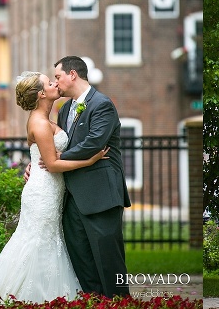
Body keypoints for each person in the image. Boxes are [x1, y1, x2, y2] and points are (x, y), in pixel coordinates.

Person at [0, 71, 109, 304]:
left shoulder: (47, 119)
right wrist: (90, 160)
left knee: (48, 243)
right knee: (37, 244)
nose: (54, 83)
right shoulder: (39, 123)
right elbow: (53, 164)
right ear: (41, 94)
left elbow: (43, 155)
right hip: (43, 193)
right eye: (50, 82)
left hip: (51, 189)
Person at [47, 55, 132, 298]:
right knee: (82, 261)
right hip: (71, 198)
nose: (56, 83)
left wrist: (56, 158)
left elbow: (94, 142)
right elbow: (54, 144)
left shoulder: (102, 104)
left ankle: (120, 303)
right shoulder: (64, 110)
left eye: (58, 76)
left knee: (109, 261)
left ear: (72, 74)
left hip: (101, 196)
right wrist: (37, 164)